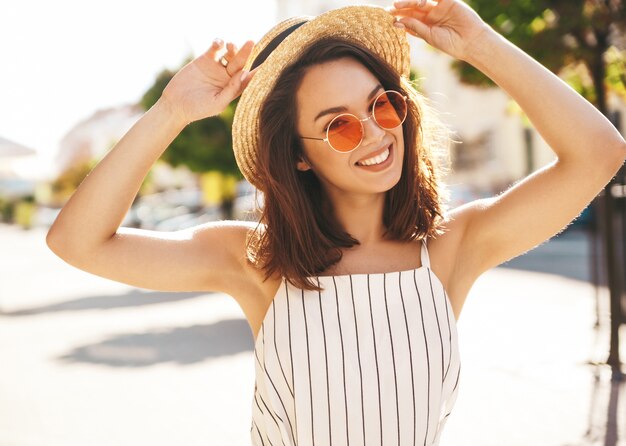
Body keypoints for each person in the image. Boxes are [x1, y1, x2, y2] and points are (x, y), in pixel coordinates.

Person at [46, 1, 626, 445]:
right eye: (340, 126)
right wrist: (171, 111)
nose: (375, 132)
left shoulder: (452, 249)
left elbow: (600, 153)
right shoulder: (254, 261)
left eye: (382, 105)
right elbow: (76, 241)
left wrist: (479, 42)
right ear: (298, 155)